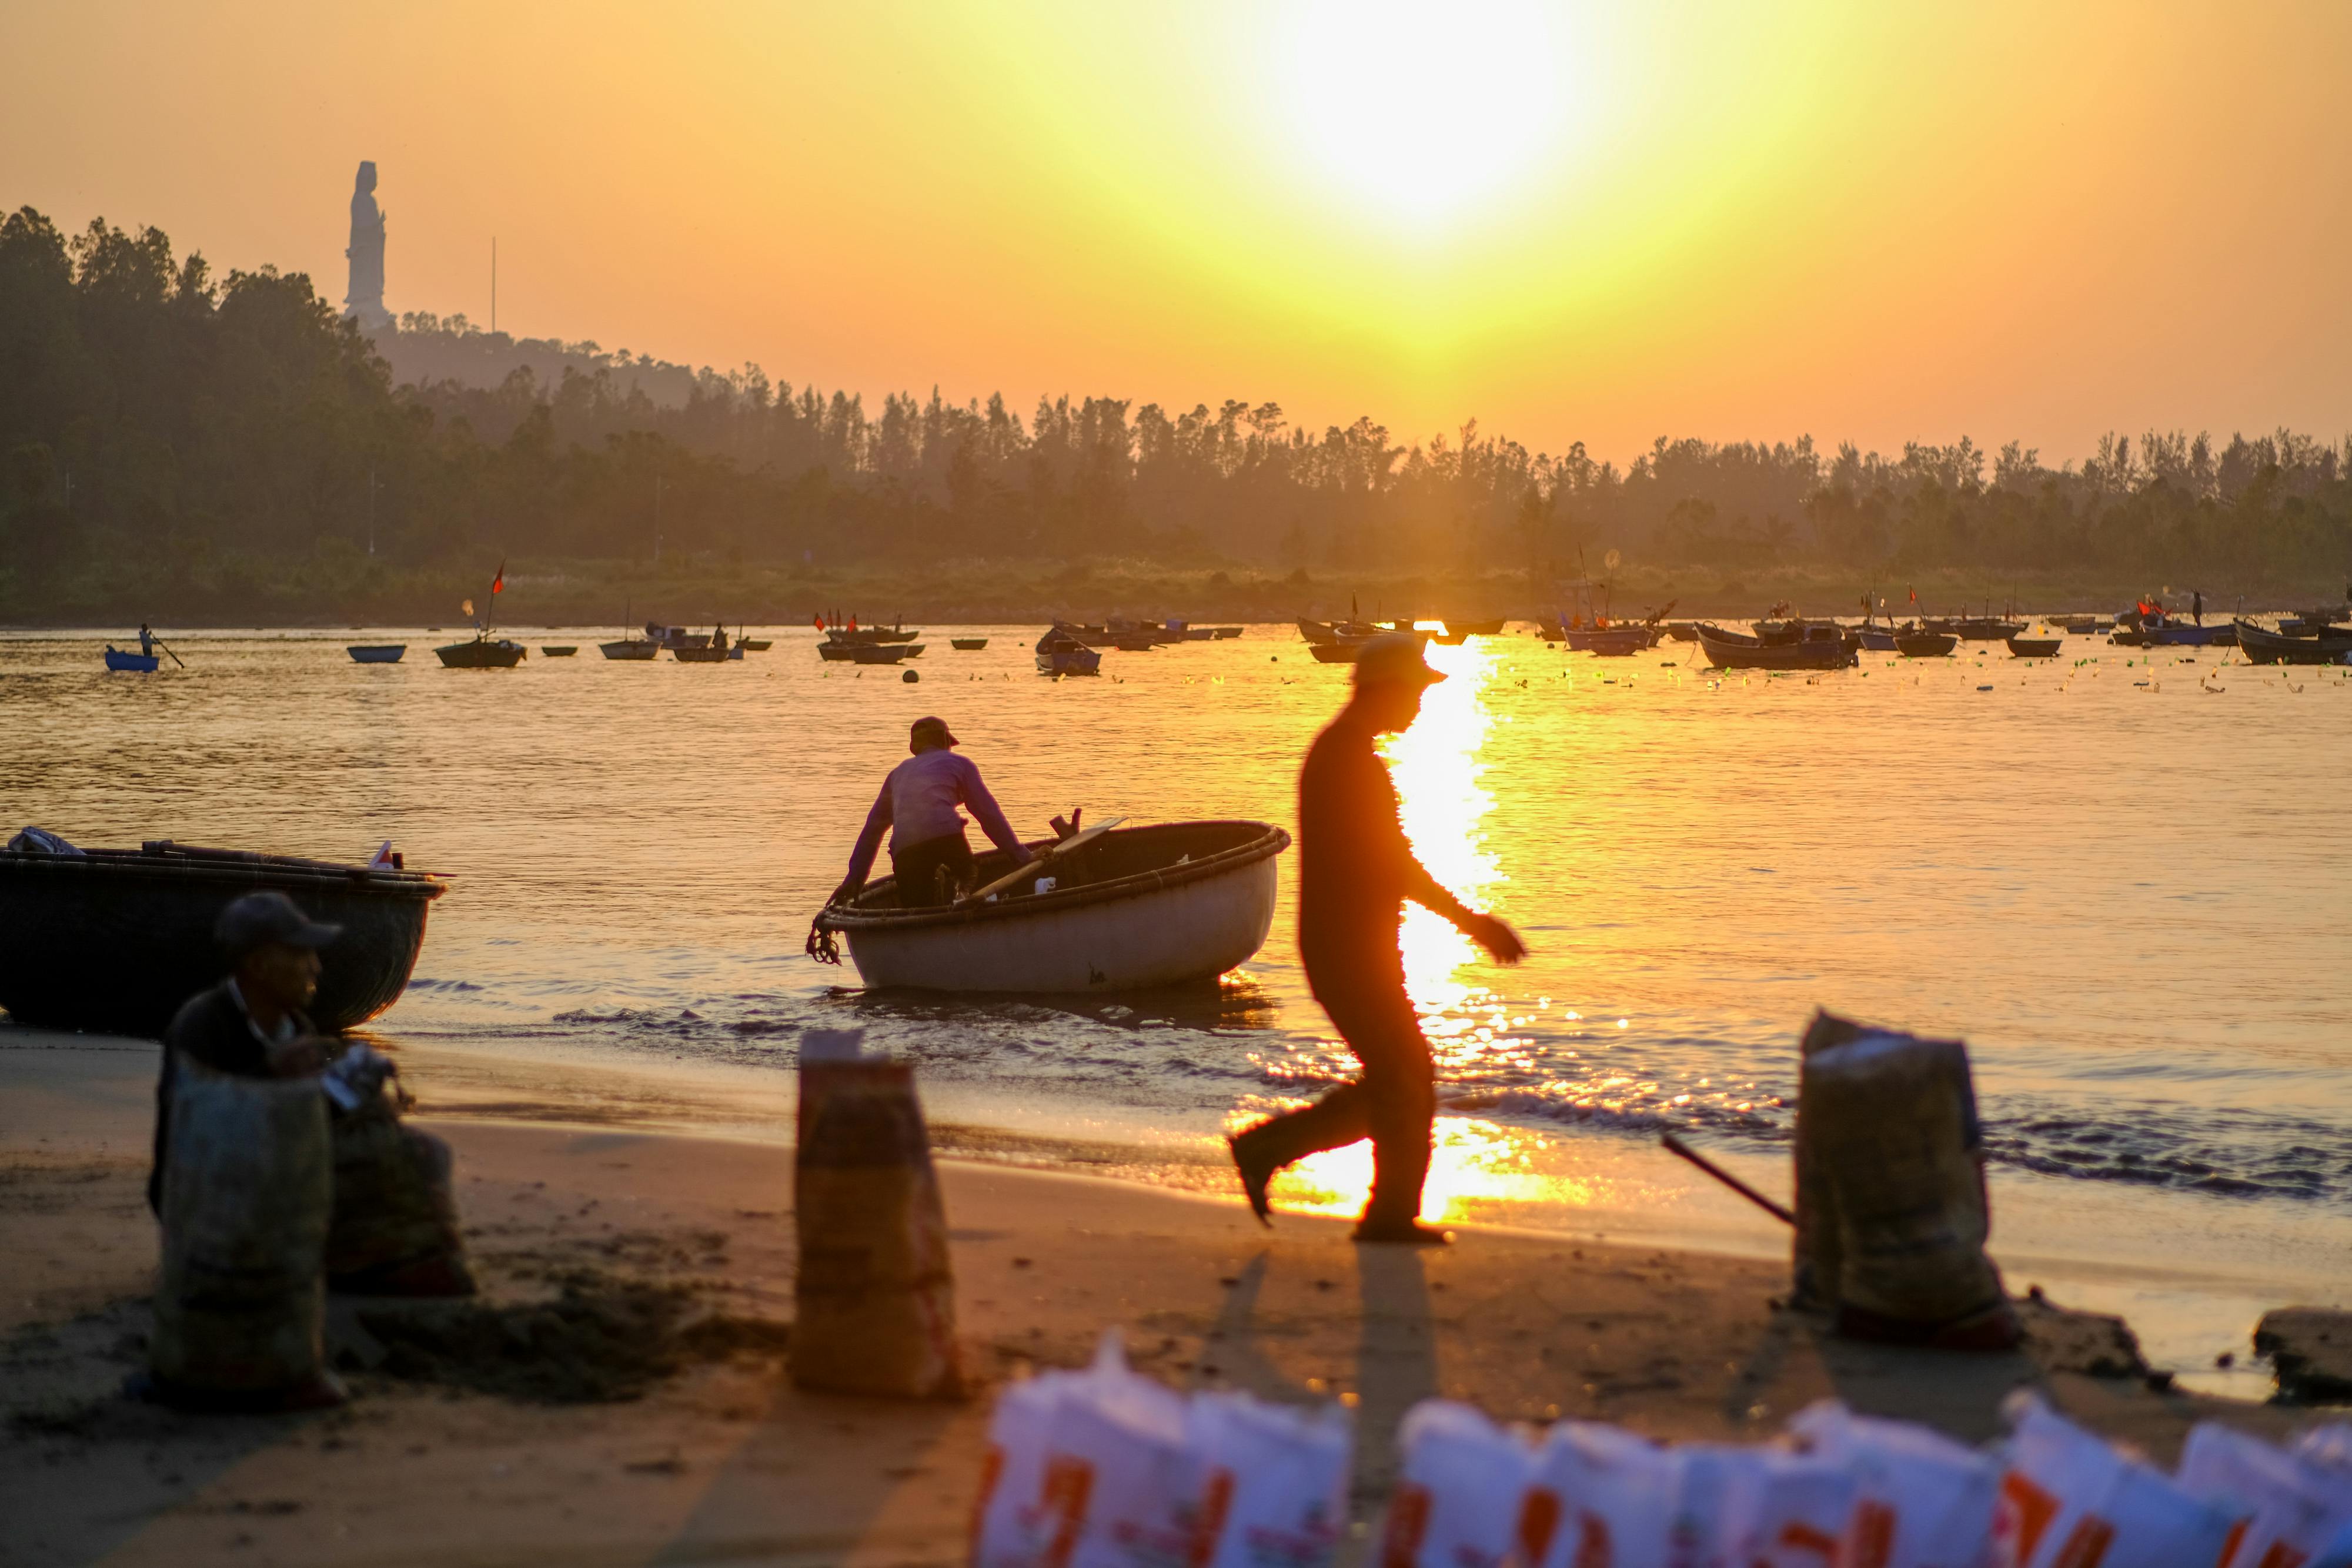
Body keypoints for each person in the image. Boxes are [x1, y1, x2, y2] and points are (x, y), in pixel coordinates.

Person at [1228, 635, 1526, 1245]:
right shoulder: (1347, 763)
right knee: (1406, 1076)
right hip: (1348, 952)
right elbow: (1394, 865)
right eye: (1415, 692)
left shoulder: (1347, 755)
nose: (1418, 707)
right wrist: (1473, 923)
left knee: (1401, 1077)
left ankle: (1282, 1156)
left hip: (1356, 949)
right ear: (1384, 689)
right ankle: (1374, 1209)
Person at [148, 891, 339, 1215]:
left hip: (270, 1180)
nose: (315, 967)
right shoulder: (200, 1026)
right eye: (302, 953)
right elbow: (192, 1128)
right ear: (259, 965)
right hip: (199, 1192)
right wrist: (271, 1071)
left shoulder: (297, 1026)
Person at [833, 716, 1034, 910]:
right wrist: (1021, 856)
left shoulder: (897, 774)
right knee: (968, 873)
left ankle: (926, 921)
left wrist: (855, 879)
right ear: (946, 741)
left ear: (914, 748)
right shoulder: (960, 763)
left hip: (905, 850)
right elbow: (988, 814)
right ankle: (964, 896)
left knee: (917, 907)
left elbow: (873, 829)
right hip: (946, 838)